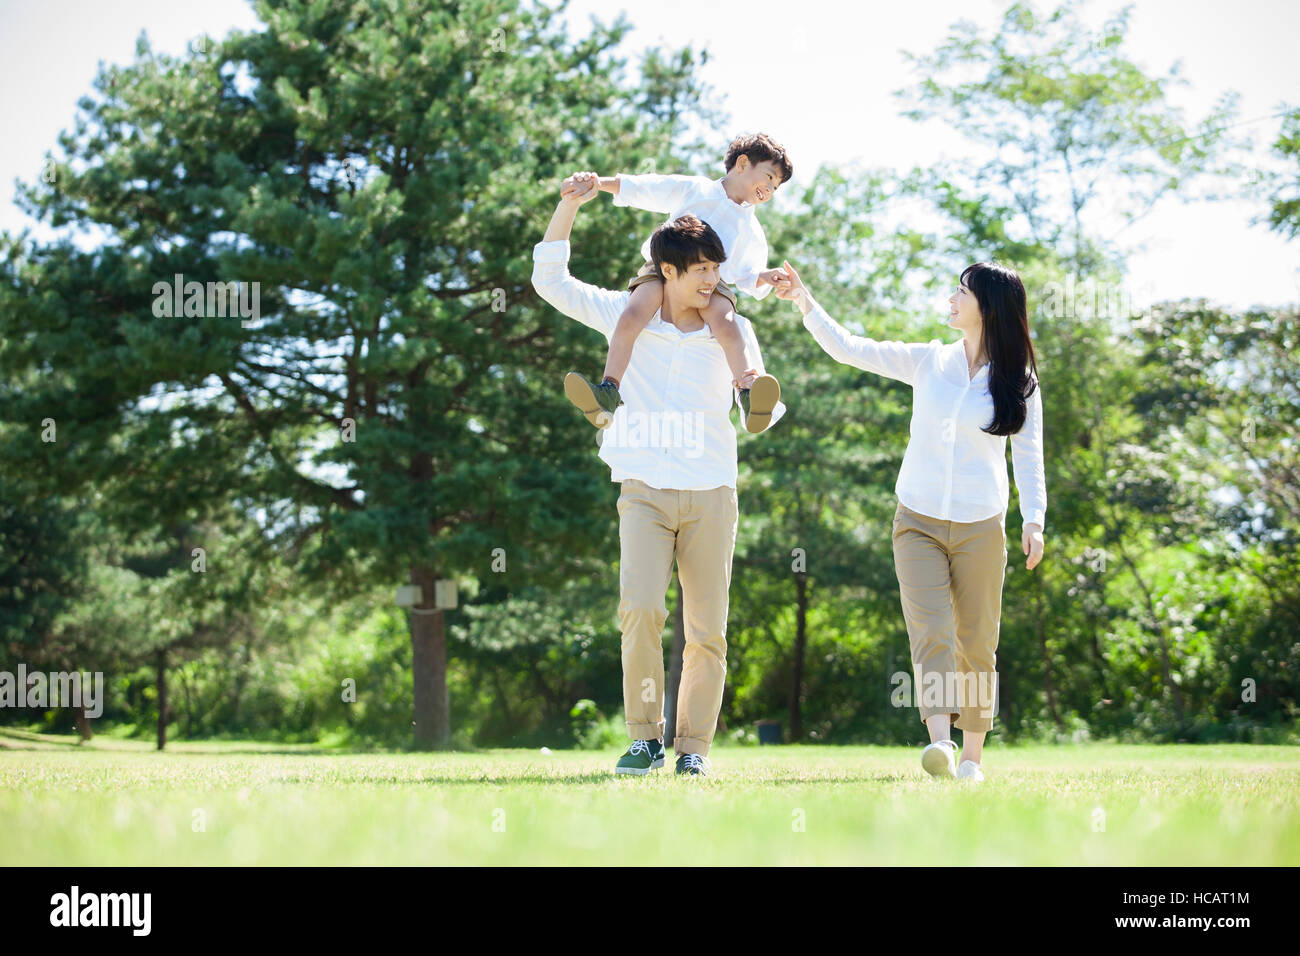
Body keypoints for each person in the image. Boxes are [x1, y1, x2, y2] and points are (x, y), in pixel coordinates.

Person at [531, 173, 786, 777]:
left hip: (711, 492)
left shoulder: (735, 330)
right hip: (643, 487)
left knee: (707, 630)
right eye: (700, 269)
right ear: (667, 271)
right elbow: (551, 282)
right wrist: (567, 207)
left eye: (716, 269)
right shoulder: (627, 312)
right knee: (640, 610)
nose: (712, 280)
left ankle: (693, 750)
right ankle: (645, 739)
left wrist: (762, 405)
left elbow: (768, 412)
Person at [776, 258, 1046, 783]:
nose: (950, 298)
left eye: (960, 291)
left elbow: (1030, 457)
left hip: (980, 524)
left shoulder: (1020, 382)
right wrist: (805, 302)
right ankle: (940, 744)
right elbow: (852, 346)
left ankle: (972, 758)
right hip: (917, 520)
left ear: (986, 306)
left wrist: (1033, 520)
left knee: (976, 640)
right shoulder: (929, 362)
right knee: (931, 632)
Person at [560, 132, 794, 434]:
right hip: (664, 268)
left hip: (710, 283)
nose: (770, 189)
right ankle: (608, 390)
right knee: (633, 315)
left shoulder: (750, 227)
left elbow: (744, 273)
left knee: (727, 325)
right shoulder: (697, 189)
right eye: (769, 177)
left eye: (776, 187)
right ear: (743, 163)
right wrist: (598, 183)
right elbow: (646, 188)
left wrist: (765, 277)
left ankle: (747, 393)